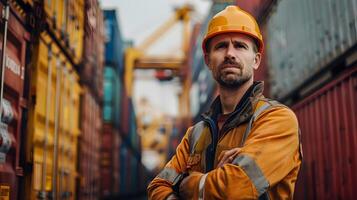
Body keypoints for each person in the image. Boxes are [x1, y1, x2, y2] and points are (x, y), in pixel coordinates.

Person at [147, 5, 302, 200]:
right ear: (207, 60)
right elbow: (157, 187)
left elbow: (234, 188)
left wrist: (189, 185)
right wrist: (214, 182)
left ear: (256, 60)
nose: (230, 53)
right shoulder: (194, 135)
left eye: (240, 45)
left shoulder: (277, 120)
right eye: (221, 46)